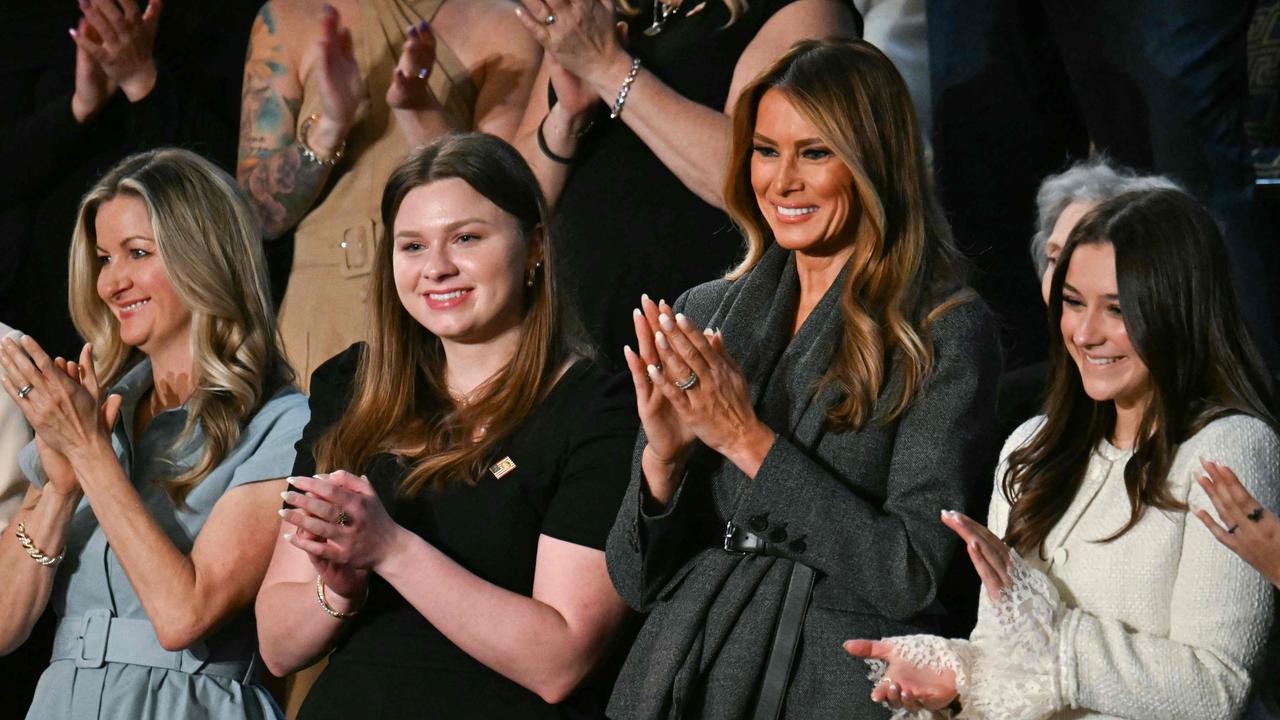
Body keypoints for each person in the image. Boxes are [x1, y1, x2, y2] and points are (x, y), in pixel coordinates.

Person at [604, 39, 1001, 719]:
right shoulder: (706, 312)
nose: (782, 181)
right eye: (765, 150)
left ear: (874, 162)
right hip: (683, 671)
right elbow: (635, 581)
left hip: (832, 685)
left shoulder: (943, 331)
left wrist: (746, 440)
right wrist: (663, 464)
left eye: (814, 153)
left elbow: (914, 575)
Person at [847, 188, 1279, 719]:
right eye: (1073, 303)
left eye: (1118, 310)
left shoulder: (1228, 446)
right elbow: (1014, 659)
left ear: (1179, 310)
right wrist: (958, 680)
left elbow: (1216, 691)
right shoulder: (1030, 448)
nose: (1086, 332)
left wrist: (1047, 629)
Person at [255, 133, 638, 719]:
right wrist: (340, 589)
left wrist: (389, 550)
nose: (436, 267)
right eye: (412, 246)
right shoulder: (353, 387)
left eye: (466, 238)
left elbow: (561, 661)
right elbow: (279, 646)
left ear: (534, 246)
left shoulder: (597, 408)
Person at [0, 148, 308, 719]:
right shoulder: (97, 406)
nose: (112, 282)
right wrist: (61, 491)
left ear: (205, 257)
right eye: (103, 258)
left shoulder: (281, 422)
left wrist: (91, 454)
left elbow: (184, 615)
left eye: (137, 254)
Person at [511, 0, 862, 369]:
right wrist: (566, 117)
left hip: (711, 351)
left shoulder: (804, 9)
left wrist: (608, 68)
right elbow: (509, 197)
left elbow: (758, 175)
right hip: (577, 358)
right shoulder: (600, 13)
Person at [237, 0, 541, 387]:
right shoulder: (290, 16)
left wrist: (417, 108)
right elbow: (258, 216)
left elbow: (501, 200)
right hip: (321, 325)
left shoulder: (504, 22)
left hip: (449, 317)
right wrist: (329, 125)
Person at [1, 0, 259, 359]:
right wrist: (78, 108)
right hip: (40, 310)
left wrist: (141, 80)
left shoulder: (224, 25)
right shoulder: (27, 26)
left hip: (173, 325)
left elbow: (227, 193)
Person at [997, 158, 1180, 436]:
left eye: (1115, 308)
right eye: (1056, 258)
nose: (1068, 280)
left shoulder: (1224, 440)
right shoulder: (1014, 413)